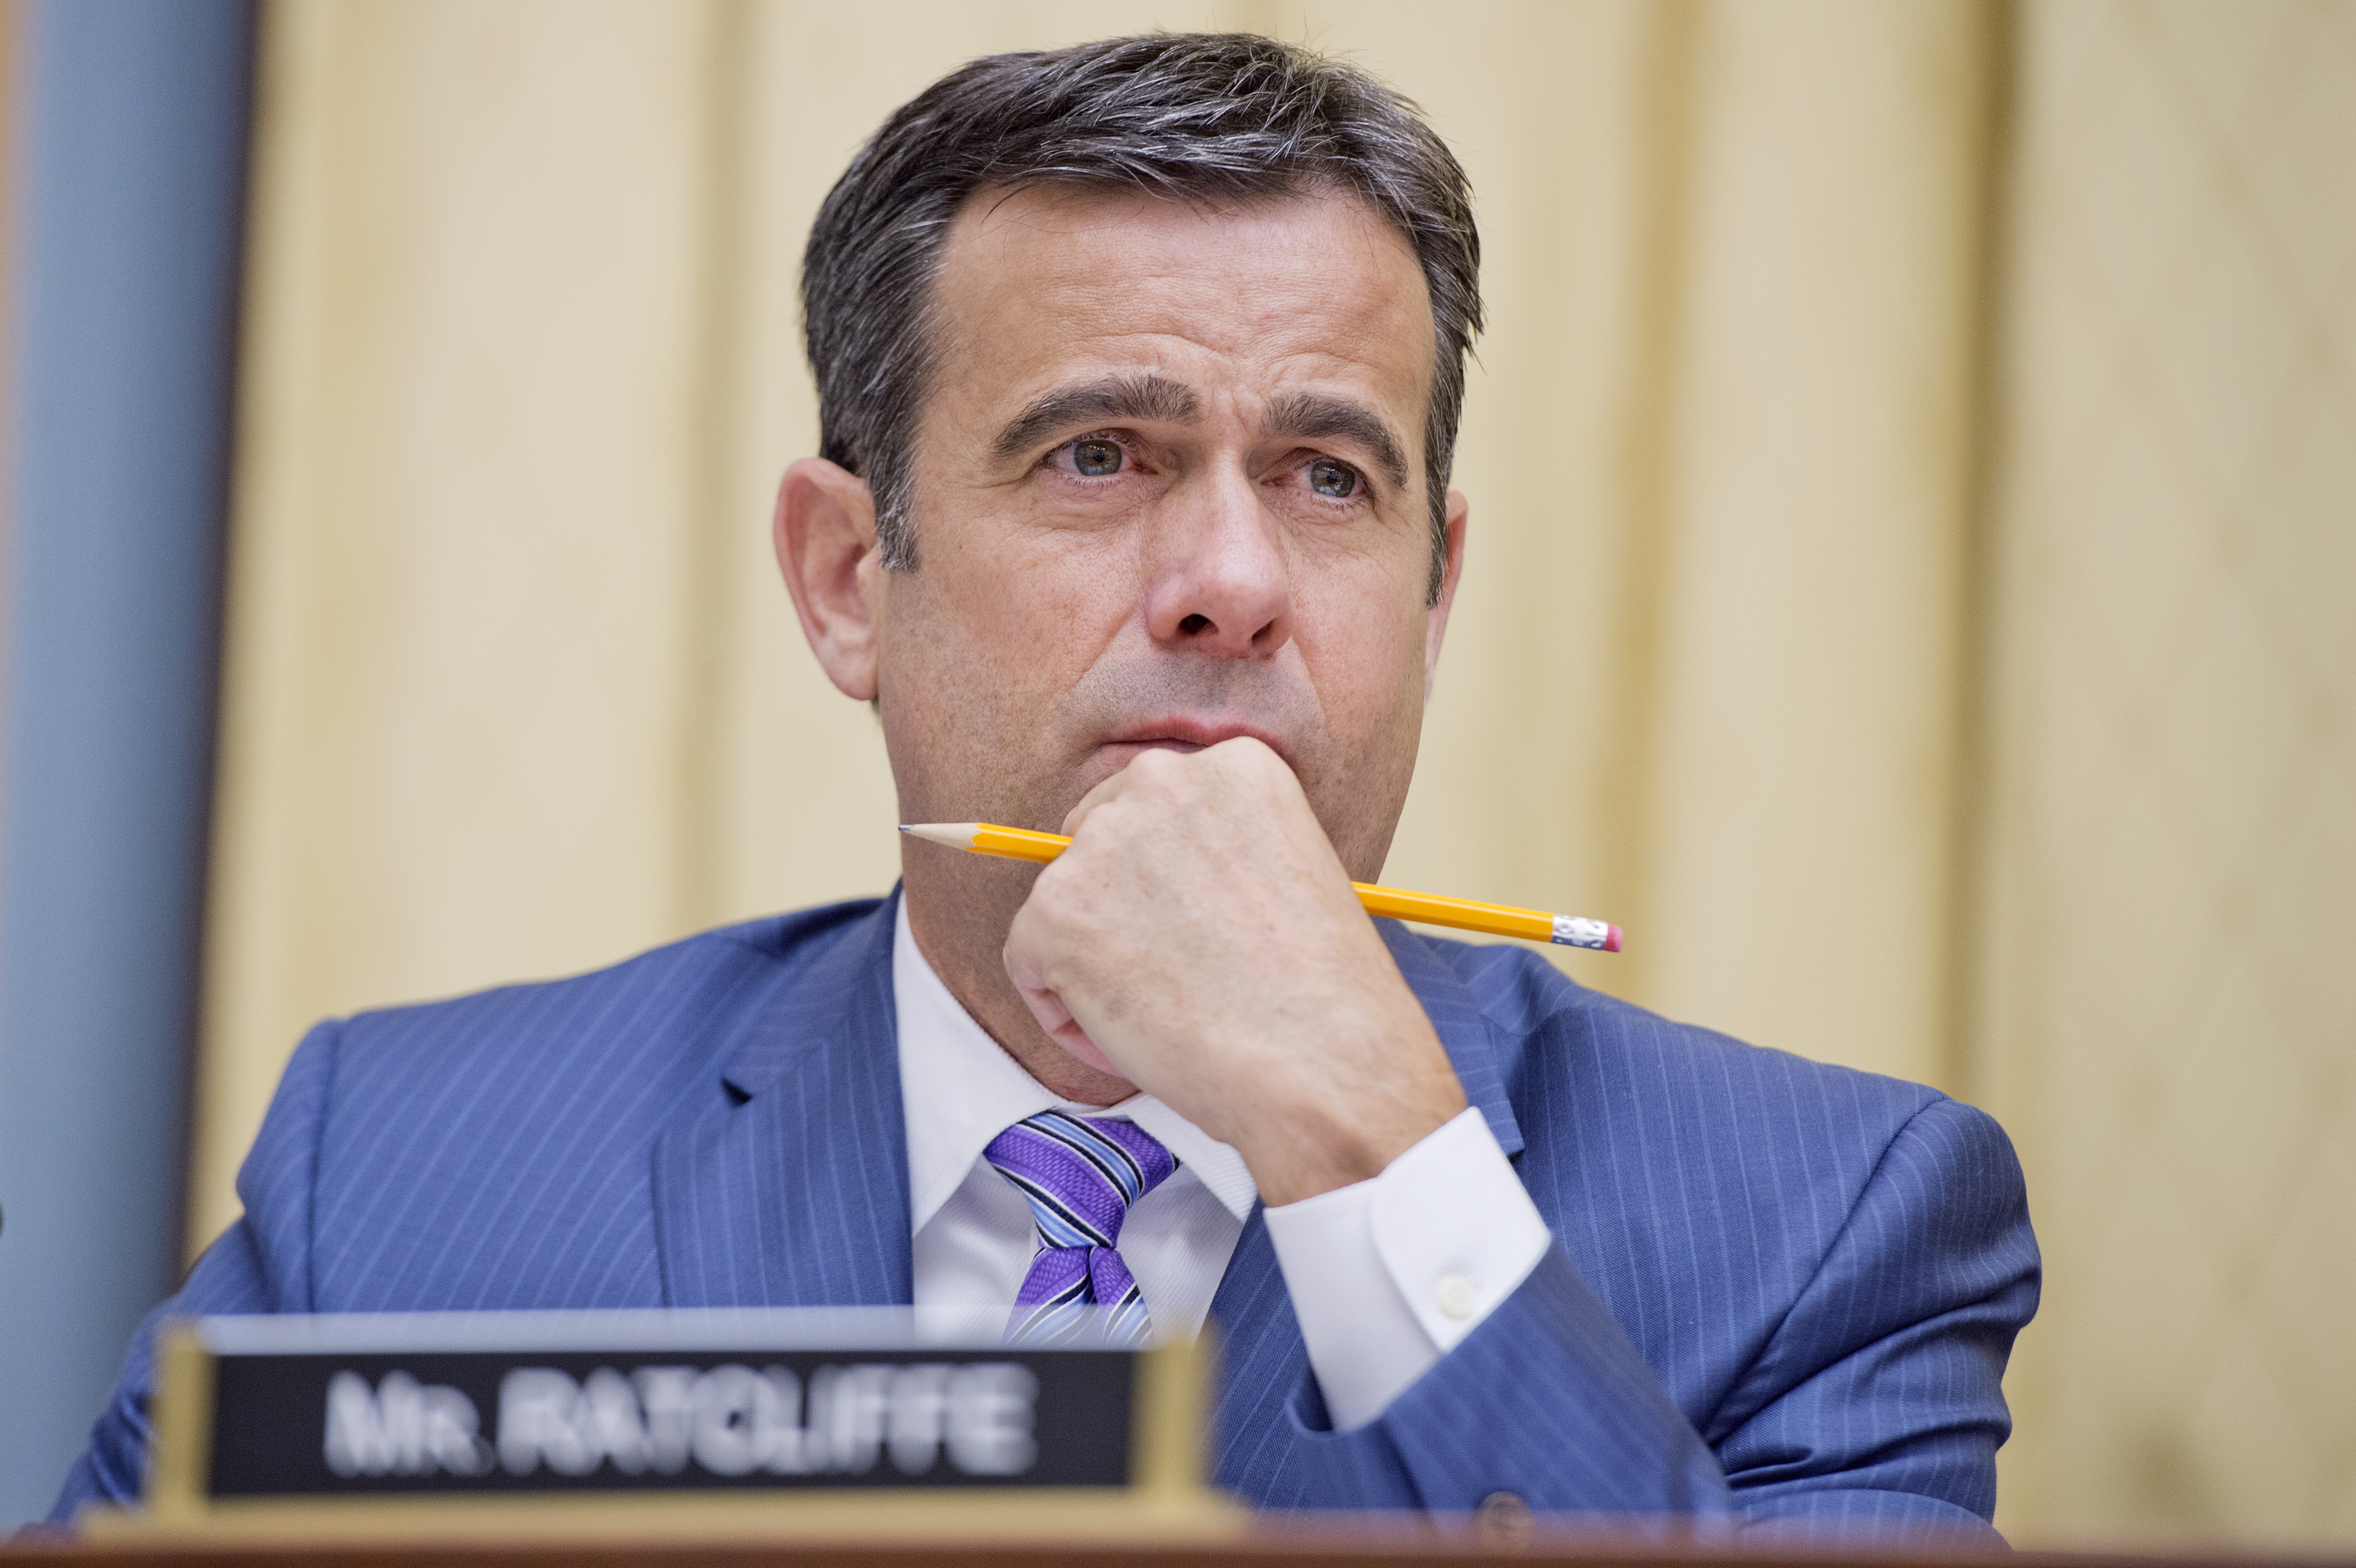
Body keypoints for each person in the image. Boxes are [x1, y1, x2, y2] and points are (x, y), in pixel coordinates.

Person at [54, 32, 2037, 1533]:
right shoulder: (404, 1170)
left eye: (1326, 477)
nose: (1231, 582)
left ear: (1434, 593)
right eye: (1098, 456)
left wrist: (1364, 1134)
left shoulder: (1826, 1230)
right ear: (850, 579)